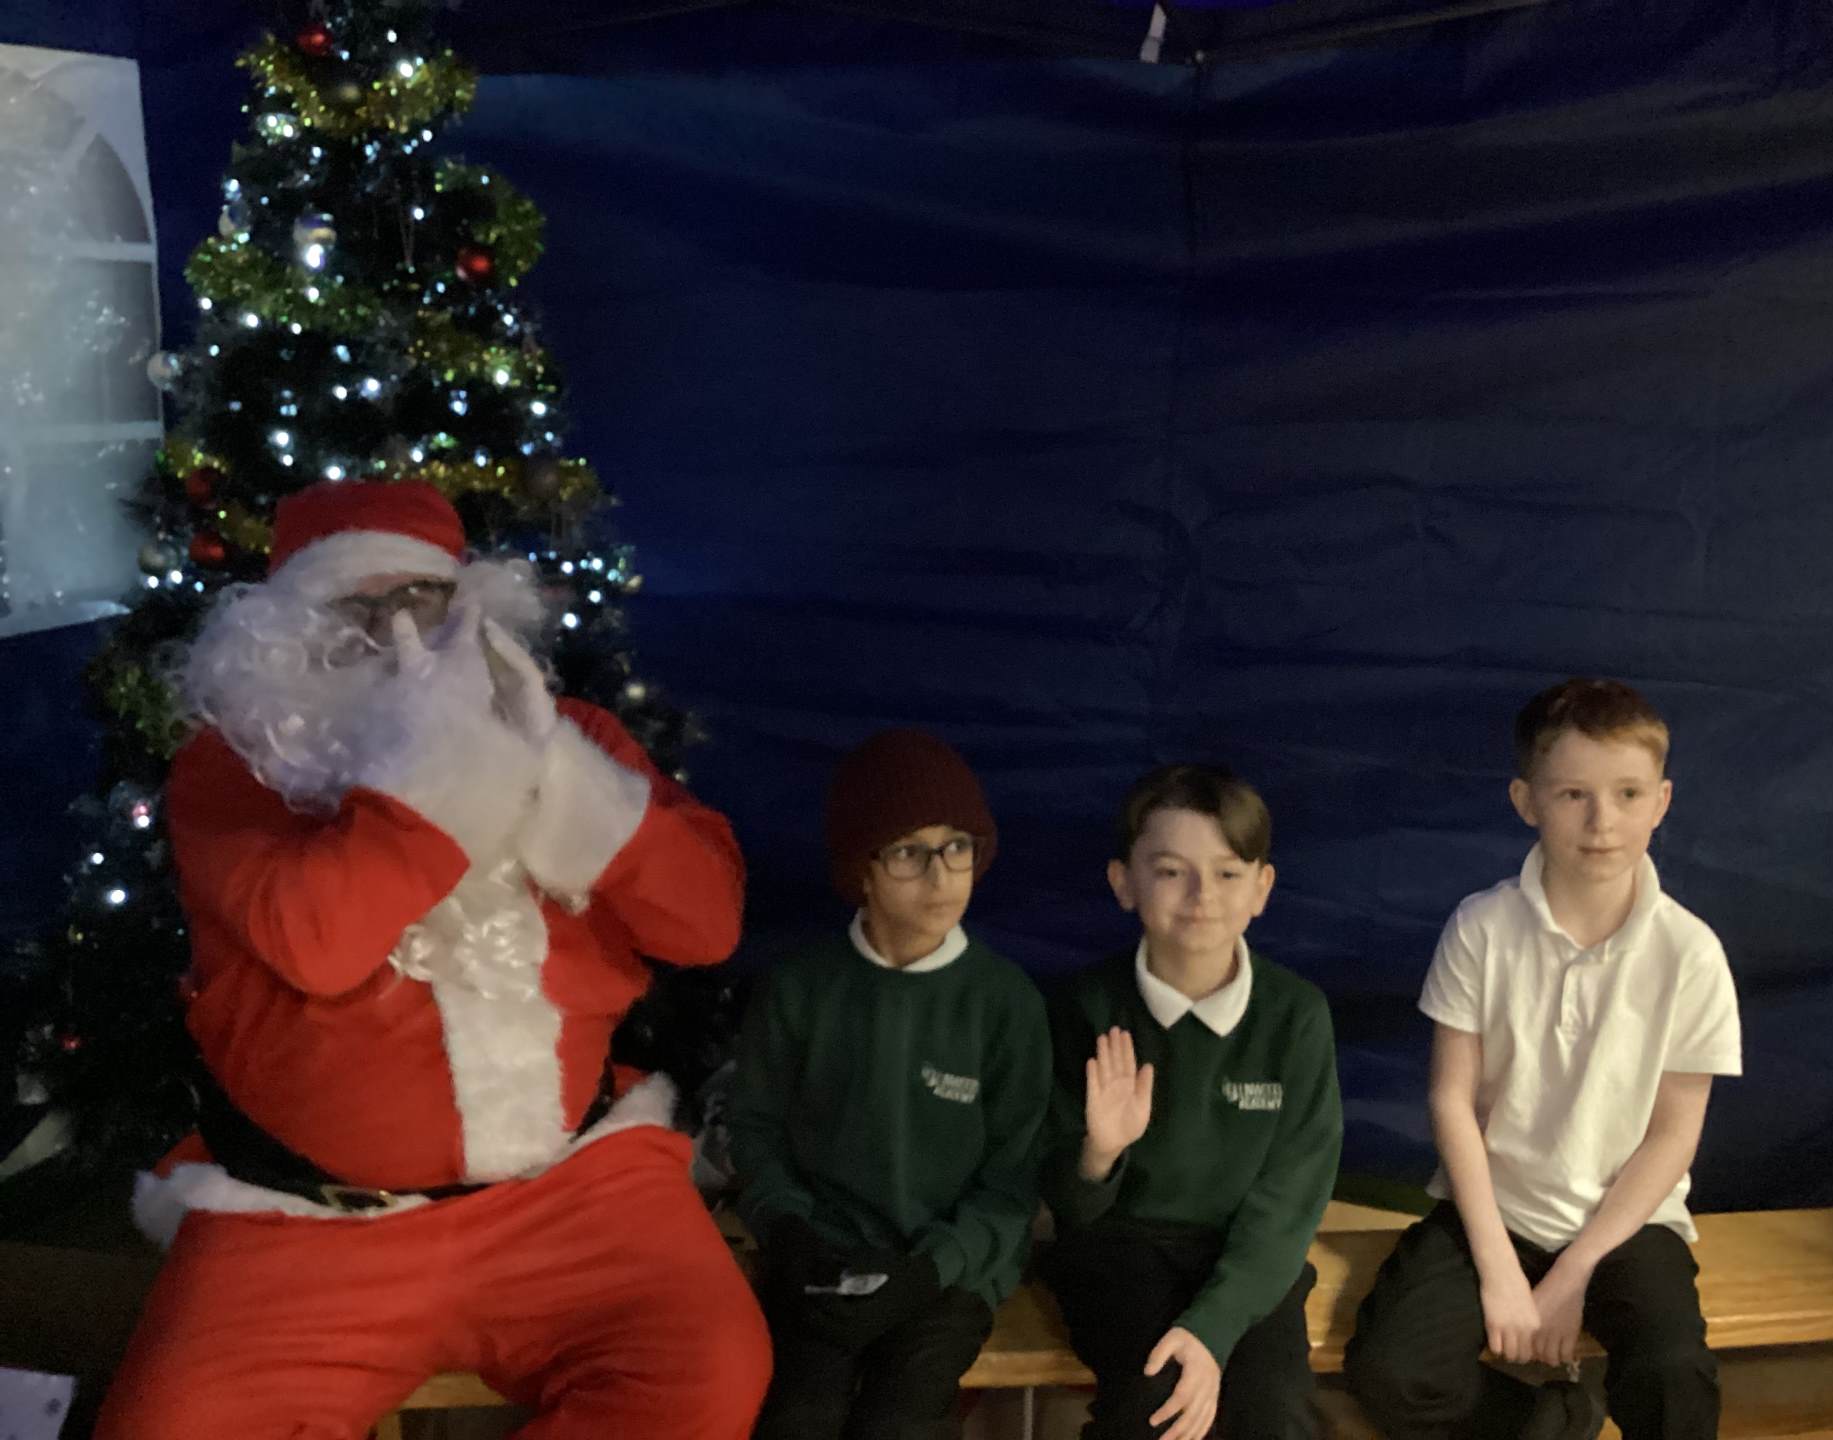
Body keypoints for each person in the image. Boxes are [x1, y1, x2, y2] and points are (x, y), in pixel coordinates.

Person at [95, 478, 771, 1440]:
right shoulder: (234, 768)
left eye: (420, 598)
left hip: (576, 1194)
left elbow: (705, 927)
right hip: (307, 1223)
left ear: (469, 610)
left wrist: (556, 773)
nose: (393, 632)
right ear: (285, 636)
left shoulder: (571, 734)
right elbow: (317, 942)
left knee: (707, 1369)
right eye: (353, 606)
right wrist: (443, 777)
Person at [1345, 677, 1742, 1440]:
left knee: (1672, 1374)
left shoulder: (1690, 952)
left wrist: (1576, 1271)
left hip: (1627, 1226)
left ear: (1661, 802)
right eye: (1572, 795)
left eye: (1628, 794)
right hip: (1496, 1210)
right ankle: (1552, 1419)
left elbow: (1673, 1135)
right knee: (1393, 1372)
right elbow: (1451, 1101)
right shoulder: (1481, 929)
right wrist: (1499, 1268)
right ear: (1526, 801)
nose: (1602, 822)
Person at [729, 728, 1051, 1440]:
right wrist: (788, 1232)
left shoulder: (1006, 1003)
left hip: (946, 1276)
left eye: (956, 847)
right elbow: (753, 1130)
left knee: (901, 1422)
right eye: (908, 852)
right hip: (821, 1260)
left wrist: (931, 1270)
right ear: (862, 871)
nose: (940, 877)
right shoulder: (799, 988)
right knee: (797, 1417)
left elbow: (1012, 1182)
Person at [1042, 763, 1342, 1440]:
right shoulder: (1087, 1006)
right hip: (1120, 1252)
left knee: (1274, 1417)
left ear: (1262, 888)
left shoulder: (1295, 1015)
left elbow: (1289, 1202)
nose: (1202, 895)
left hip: (1249, 1258)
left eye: (1228, 873)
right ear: (1124, 882)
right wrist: (1099, 1155)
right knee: (1157, 1408)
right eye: (1172, 871)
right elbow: (1069, 1207)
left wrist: (1211, 1328)